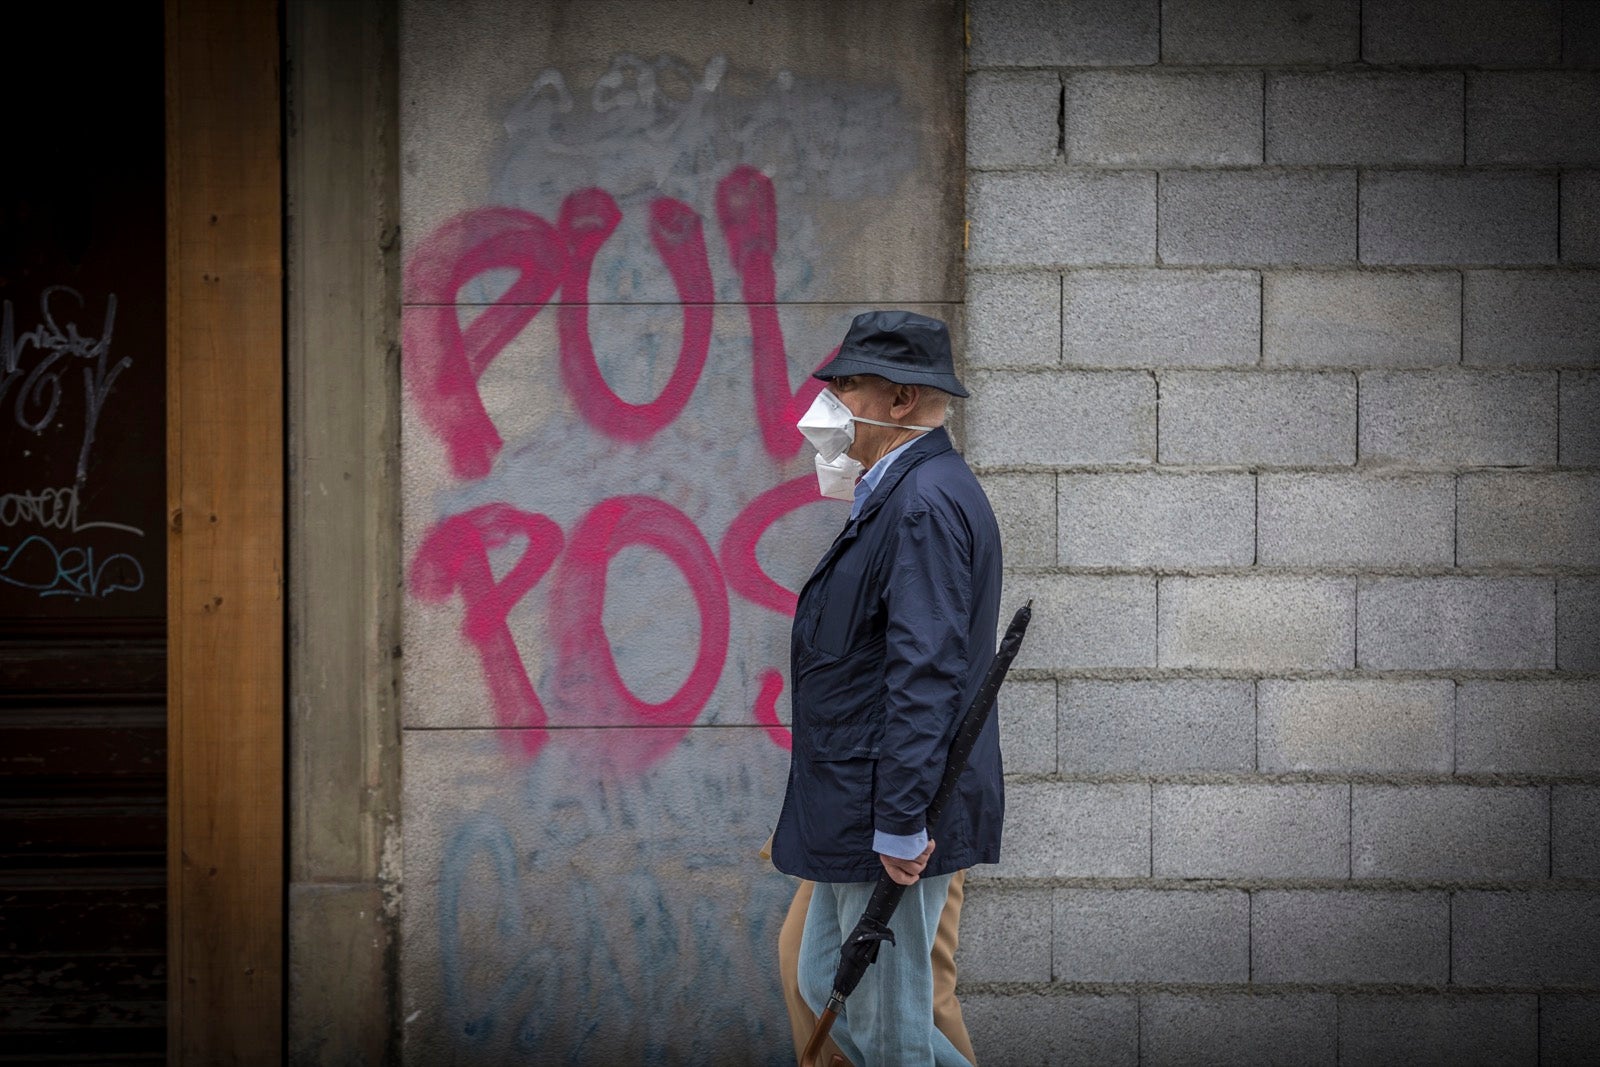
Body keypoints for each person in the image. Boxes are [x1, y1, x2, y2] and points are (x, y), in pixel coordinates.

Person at [770, 310, 1004, 1067]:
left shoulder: (924, 502)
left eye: (846, 387)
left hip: (889, 809)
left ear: (900, 399)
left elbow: (924, 670)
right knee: (822, 979)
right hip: (860, 798)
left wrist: (902, 818)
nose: (828, 407)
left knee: (897, 1028)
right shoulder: (901, 488)